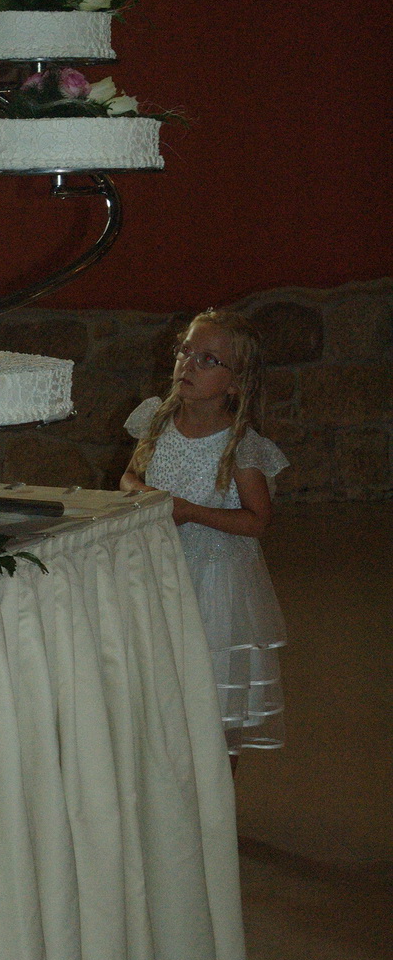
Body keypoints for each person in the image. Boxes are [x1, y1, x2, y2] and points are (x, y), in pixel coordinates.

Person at [121, 308, 288, 767]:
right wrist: (150, 497)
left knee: (212, 698)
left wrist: (191, 512)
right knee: (159, 686)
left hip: (215, 582)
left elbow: (257, 520)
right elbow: (129, 477)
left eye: (208, 360)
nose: (187, 365)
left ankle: (216, 791)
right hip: (157, 568)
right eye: (185, 351)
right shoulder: (156, 420)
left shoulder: (240, 444)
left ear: (235, 383)